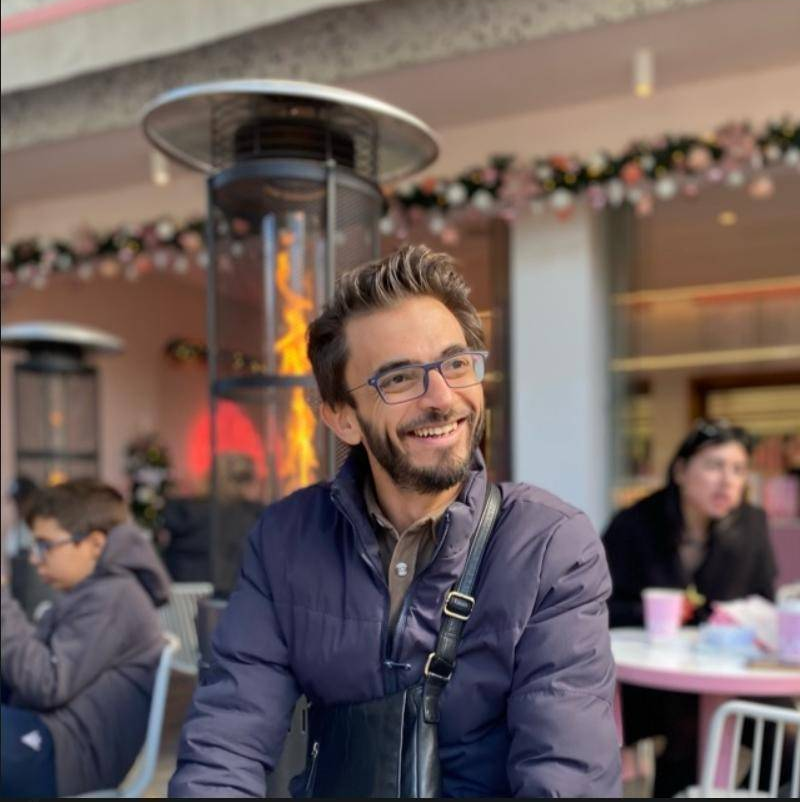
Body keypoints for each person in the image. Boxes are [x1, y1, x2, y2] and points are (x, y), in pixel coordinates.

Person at [169, 244, 621, 797]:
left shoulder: (550, 546)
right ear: (342, 418)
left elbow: (567, 777)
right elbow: (225, 743)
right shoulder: (286, 539)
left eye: (456, 364)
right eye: (401, 378)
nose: (442, 398)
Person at [603, 419, 778, 797]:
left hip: (728, 671)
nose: (727, 481)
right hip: (650, 679)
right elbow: (599, 606)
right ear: (681, 471)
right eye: (715, 466)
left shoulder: (752, 524)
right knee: (686, 729)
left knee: (782, 731)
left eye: (738, 469)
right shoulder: (635, 523)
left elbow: (764, 602)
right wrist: (654, 614)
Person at [1, 479, 171, 798]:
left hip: (66, 756)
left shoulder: (115, 597)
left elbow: (45, 683)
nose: (35, 558)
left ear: (94, 543)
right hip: (52, 738)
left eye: (45, 545)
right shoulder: (98, 592)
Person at [159, 453, 262, 594]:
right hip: (232, 600)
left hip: (182, 603)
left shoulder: (183, 514)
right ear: (248, 484)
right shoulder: (252, 518)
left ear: (208, 479)